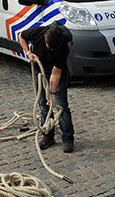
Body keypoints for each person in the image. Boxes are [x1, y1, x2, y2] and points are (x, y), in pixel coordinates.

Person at [19, 23, 75, 153]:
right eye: (49, 47)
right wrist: (28, 52)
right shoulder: (36, 32)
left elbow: (55, 74)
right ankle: (48, 135)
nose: (51, 50)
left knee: (61, 107)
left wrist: (53, 94)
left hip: (56, 74)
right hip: (40, 71)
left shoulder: (63, 49)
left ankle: (68, 139)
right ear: (45, 38)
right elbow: (21, 36)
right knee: (43, 105)